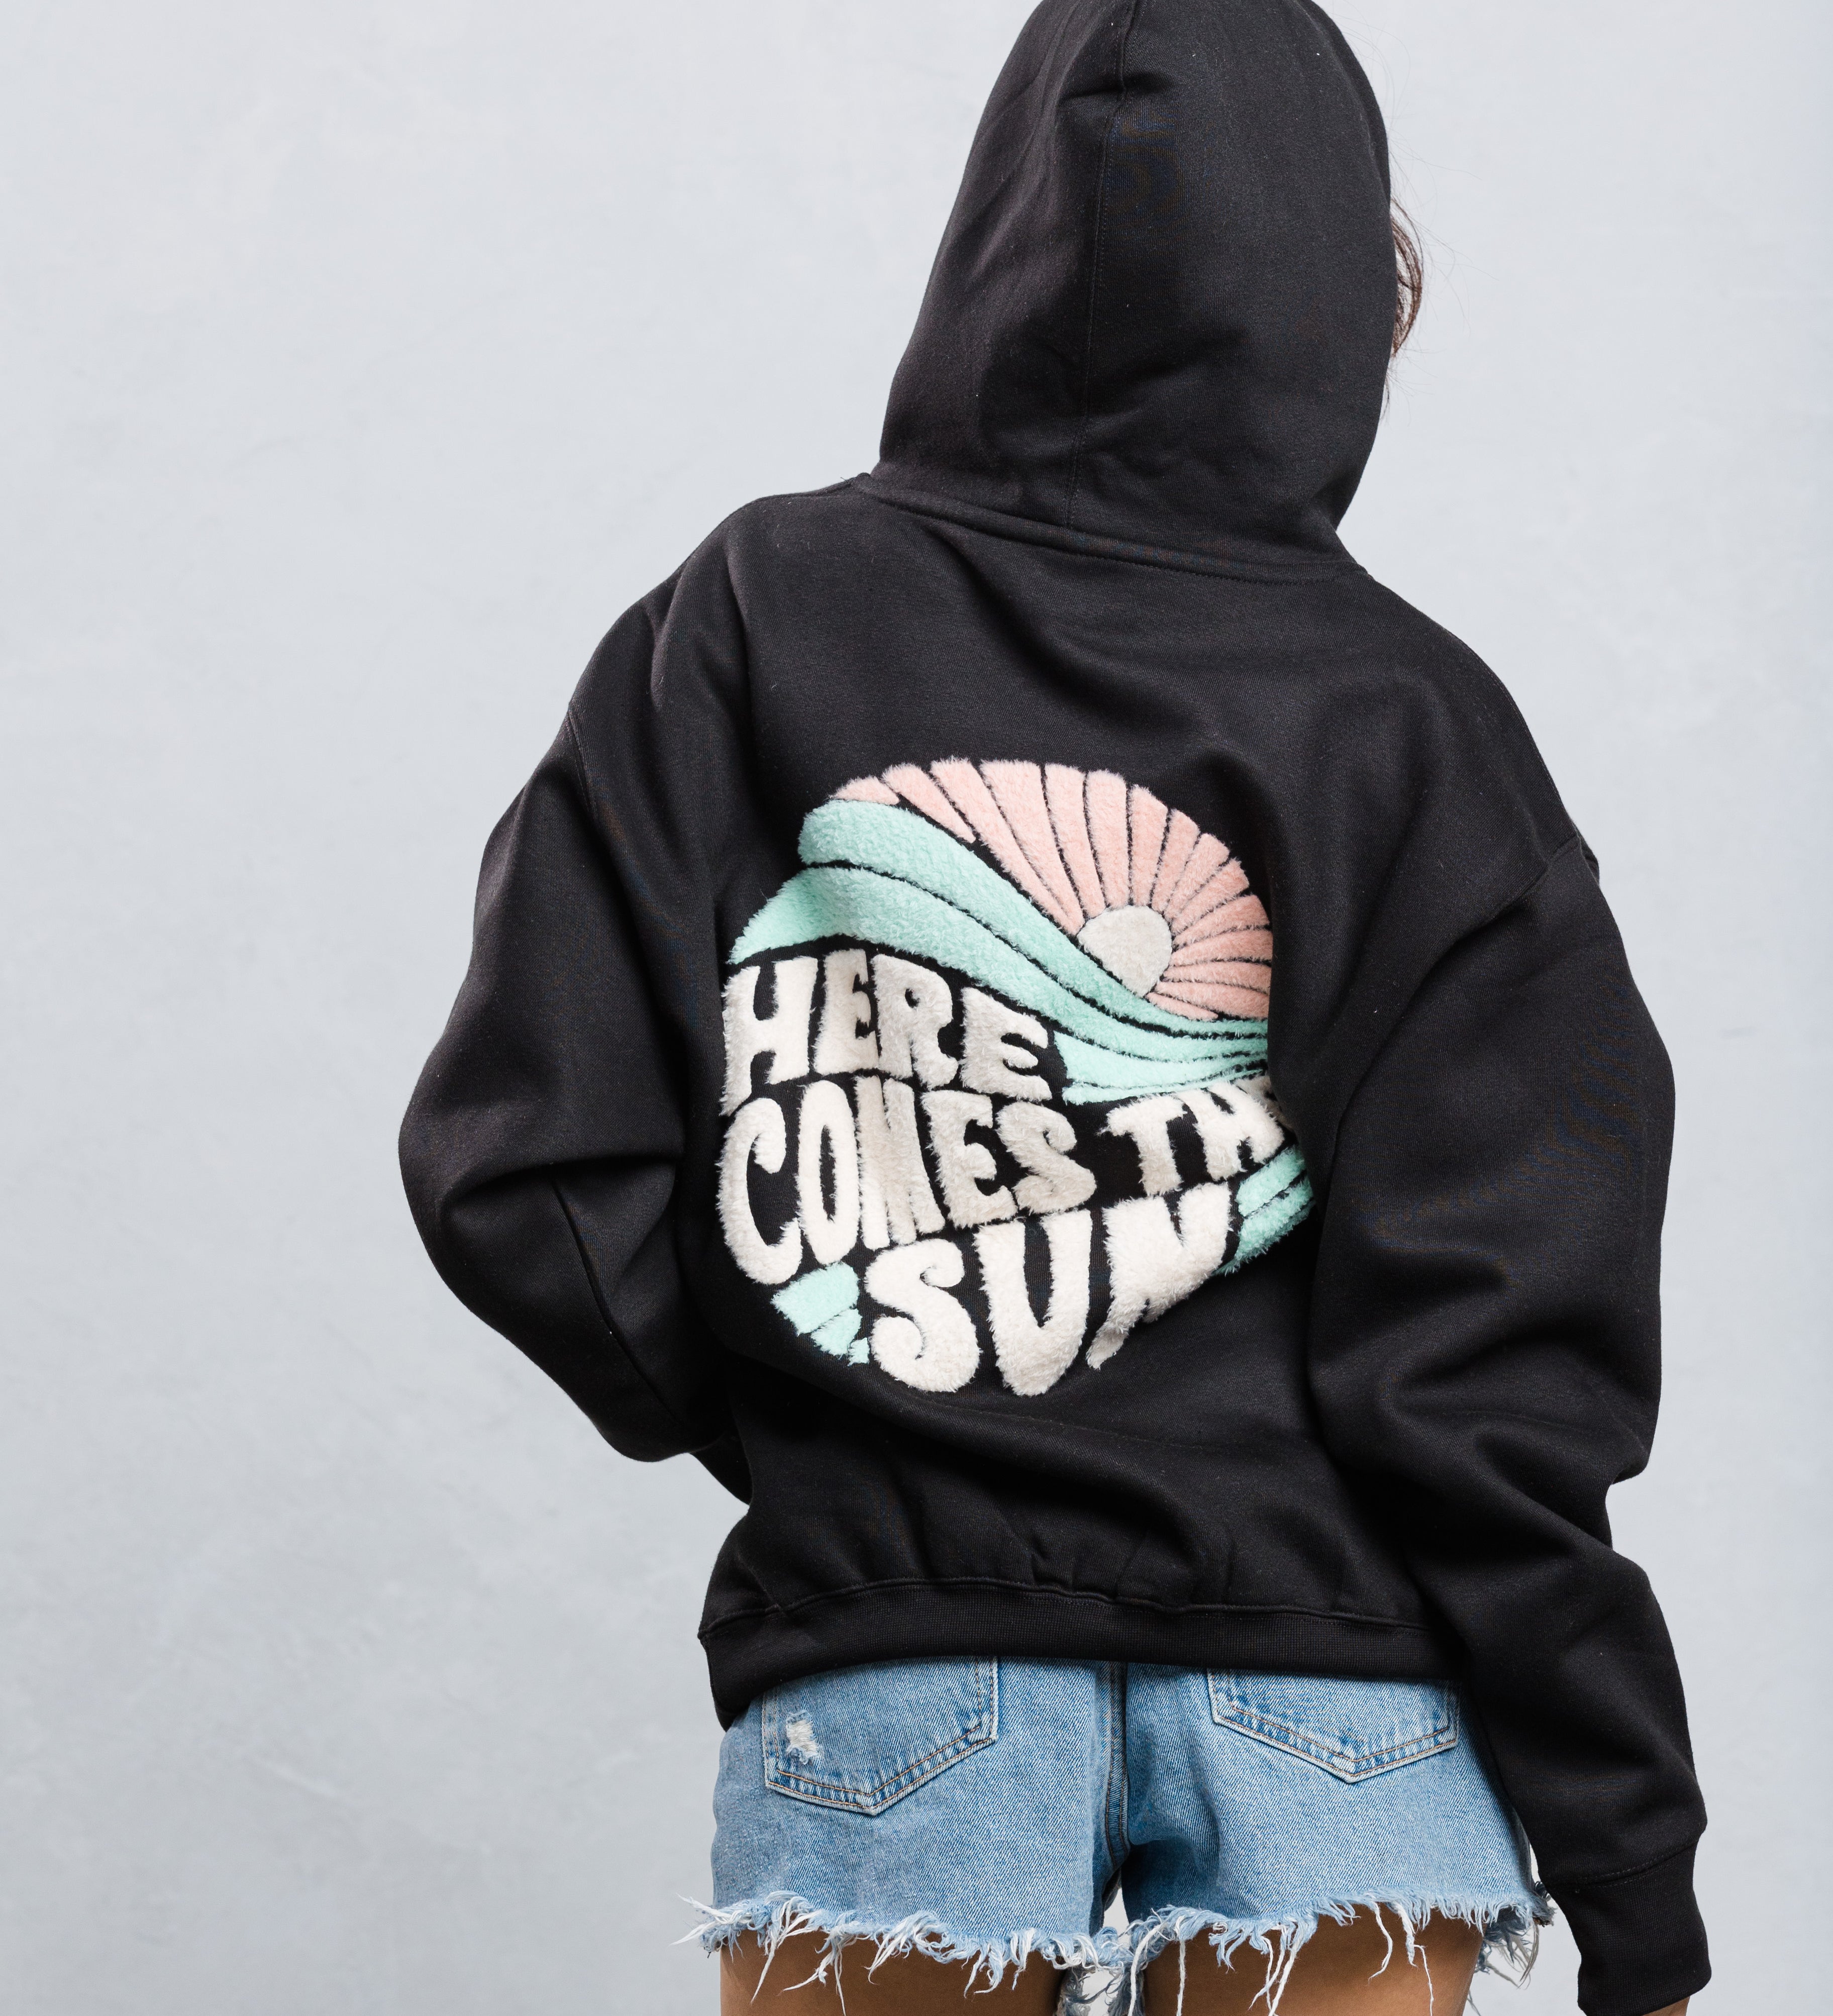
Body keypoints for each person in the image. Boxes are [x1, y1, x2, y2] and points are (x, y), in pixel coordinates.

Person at [399, 3, 1707, 2011]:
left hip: (895, 1666)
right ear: (1340, 297)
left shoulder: (746, 615)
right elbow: (1499, 1366)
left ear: (992, 236)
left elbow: (529, 1163)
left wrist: (840, 1399)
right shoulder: (1414, 723)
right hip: (1334, 1691)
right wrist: (1629, 1855)